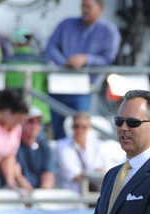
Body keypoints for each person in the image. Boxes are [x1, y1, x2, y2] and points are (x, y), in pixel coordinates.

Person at [44, 0, 121, 140]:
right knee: (57, 129)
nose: (85, 10)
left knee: (80, 128)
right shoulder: (66, 24)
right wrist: (64, 62)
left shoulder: (109, 31)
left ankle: (79, 159)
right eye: (83, 6)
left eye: (89, 6)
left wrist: (86, 59)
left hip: (83, 88)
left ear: (100, 8)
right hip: (59, 85)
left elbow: (108, 58)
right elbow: (50, 47)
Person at [55, 111, 119, 192]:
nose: (80, 130)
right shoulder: (62, 145)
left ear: (89, 128)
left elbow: (108, 169)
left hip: (97, 190)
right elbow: (70, 174)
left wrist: (93, 173)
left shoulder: (99, 145)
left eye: (83, 127)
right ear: (72, 127)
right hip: (73, 191)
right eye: (76, 126)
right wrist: (95, 173)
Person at [4, 28, 51, 125]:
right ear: (30, 44)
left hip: (14, 112)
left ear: (14, 44)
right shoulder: (43, 63)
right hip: (38, 111)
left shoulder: (6, 63)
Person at [13, 106, 55, 192]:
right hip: (19, 192)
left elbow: (48, 174)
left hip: (37, 195)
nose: (35, 126)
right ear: (21, 123)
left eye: (39, 122)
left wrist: (42, 196)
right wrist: (33, 196)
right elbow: (16, 175)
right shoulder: (14, 144)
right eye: (30, 121)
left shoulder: (44, 147)